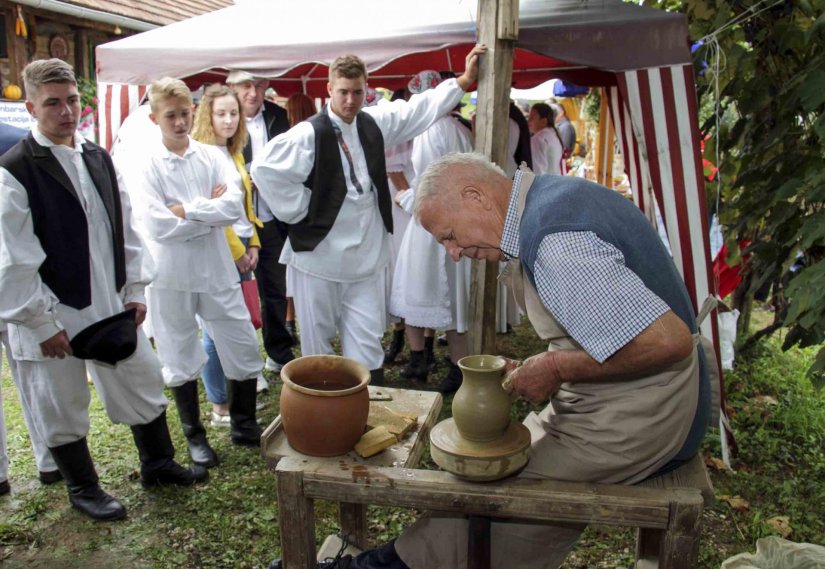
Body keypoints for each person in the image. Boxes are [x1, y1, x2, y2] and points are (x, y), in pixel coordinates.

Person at [280, 152, 712, 568]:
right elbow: (607, 323)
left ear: (475, 197)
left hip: (651, 414)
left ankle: (383, 567)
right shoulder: (547, 199)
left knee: (499, 494)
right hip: (622, 399)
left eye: (448, 235)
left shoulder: (555, 239)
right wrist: (542, 364)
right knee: (497, 467)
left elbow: (668, 342)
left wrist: (559, 367)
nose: (453, 251)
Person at [0, 59, 207, 521]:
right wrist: (39, 322)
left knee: (140, 374)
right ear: (31, 106)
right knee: (61, 399)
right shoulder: (14, 170)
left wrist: (134, 289)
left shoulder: (96, 155)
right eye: (53, 103)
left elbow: (126, 226)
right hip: (51, 310)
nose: (66, 111)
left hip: (108, 301)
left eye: (72, 100)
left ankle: (157, 462)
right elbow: (13, 259)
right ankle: (83, 487)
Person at [251, 45, 487, 386]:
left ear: (366, 89)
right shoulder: (308, 134)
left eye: (358, 92)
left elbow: (415, 110)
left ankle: (364, 409)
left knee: (366, 342)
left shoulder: (373, 123)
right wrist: (303, 208)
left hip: (365, 258)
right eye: (343, 92)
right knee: (317, 344)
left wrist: (463, 81)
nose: (350, 100)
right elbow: (264, 169)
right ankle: (319, 417)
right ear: (329, 89)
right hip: (318, 258)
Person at [139, 77, 264, 466]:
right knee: (178, 351)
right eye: (170, 116)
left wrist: (186, 210)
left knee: (241, 340)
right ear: (154, 117)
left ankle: (243, 422)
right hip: (170, 274)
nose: (179, 123)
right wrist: (204, 213)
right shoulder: (147, 165)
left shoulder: (211, 156)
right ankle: (195, 435)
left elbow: (232, 208)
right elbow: (157, 225)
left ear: (193, 113)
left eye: (184, 114)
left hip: (214, 268)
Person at [389, 70, 474, 393]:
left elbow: (434, 180)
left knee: (438, 290)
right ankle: (431, 360)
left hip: (434, 222)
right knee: (437, 291)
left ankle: (441, 364)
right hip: (442, 220)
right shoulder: (453, 128)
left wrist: (408, 197)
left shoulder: (435, 129)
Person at [191, 84, 264, 427]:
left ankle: (237, 397)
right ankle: (220, 402)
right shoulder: (204, 156)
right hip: (220, 251)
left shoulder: (233, 151)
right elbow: (217, 215)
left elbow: (243, 203)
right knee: (215, 328)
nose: (229, 119)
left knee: (238, 324)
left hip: (243, 248)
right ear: (207, 116)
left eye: (233, 112)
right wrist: (238, 252)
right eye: (221, 113)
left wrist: (254, 243)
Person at [227, 70, 293, 385]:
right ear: (233, 87)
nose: (253, 92)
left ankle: (278, 353)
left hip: (271, 214)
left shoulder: (279, 116)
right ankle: (244, 360)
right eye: (245, 86)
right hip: (238, 219)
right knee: (240, 292)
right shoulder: (226, 119)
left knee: (275, 288)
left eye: (259, 85)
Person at [282, 92, 318, 345]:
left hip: (293, 213)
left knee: (291, 273)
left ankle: (290, 321)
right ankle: (294, 321)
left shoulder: (289, 140)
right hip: (312, 213)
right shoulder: (318, 137)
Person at [528, 102, 564, 176]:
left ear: (543, 121)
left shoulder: (538, 139)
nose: (528, 121)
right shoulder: (552, 135)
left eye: (532, 118)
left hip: (546, 184)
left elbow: (537, 172)